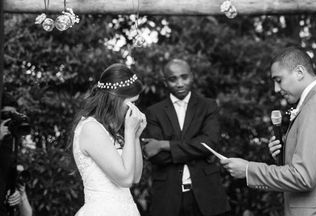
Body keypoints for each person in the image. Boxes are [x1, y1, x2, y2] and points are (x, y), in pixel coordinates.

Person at [221, 47, 316, 216]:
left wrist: (248, 169)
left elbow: (303, 177)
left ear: (299, 72)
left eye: (279, 80)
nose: (276, 89)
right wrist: (283, 155)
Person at [142, 59, 230, 216]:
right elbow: (156, 155)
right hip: (167, 198)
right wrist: (197, 151)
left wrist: (164, 144)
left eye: (184, 77)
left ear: (192, 76)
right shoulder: (154, 112)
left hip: (206, 195)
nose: (180, 83)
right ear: (165, 81)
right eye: (173, 79)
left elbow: (209, 144)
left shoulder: (208, 106)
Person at [71, 63, 146, 216]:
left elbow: (135, 177)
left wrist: (136, 136)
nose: (134, 109)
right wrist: (130, 132)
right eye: (131, 103)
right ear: (114, 97)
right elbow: (124, 179)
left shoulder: (111, 130)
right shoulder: (91, 128)